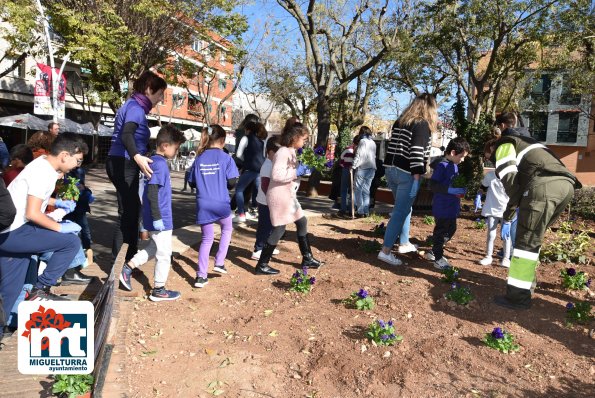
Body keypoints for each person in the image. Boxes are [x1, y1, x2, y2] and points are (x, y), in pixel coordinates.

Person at [489, 131, 581, 310]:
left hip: (544, 187)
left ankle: (517, 298)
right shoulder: (530, 145)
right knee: (532, 241)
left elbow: (511, 185)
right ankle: (527, 286)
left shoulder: (503, 146)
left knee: (525, 245)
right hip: (565, 187)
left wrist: (507, 217)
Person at [0, 133, 86, 317]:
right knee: (70, 243)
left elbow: (30, 197)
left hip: (8, 231)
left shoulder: (41, 163)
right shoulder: (44, 172)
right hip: (14, 230)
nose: (76, 166)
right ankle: (41, 289)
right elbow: (32, 213)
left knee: (9, 291)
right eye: (77, 161)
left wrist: (56, 203)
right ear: (64, 155)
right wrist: (60, 228)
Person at [106, 70, 167, 262]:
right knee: (128, 214)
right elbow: (126, 135)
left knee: (132, 212)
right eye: (159, 95)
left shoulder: (133, 106)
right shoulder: (136, 108)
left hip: (123, 162)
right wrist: (138, 157)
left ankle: (127, 259)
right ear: (149, 90)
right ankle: (121, 264)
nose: (160, 99)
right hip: (123, 162)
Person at [120, 125, 185, 301]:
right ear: (165, 145)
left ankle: (127, 268)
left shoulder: (153, 162)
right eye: (176, 148)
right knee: (164, 254)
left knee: (154, 248)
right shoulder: (160, 165)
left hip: (157, 216)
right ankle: (159, 289)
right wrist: (157, 218)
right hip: (161, 217)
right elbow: (152, 192)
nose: (177, 151)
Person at [255, 123, 324, 274]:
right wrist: (297, 172)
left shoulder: (291, 151)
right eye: (304, 139)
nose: (305, 142)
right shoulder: (283, 152)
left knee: (302, 221)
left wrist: (304, 170)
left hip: (288, 195)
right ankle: (262, 264)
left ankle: (307, 257)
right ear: (294, 138)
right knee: (279, 229)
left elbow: (291, 173)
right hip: (280, 196)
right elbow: (277, 175)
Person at [378, 93, 437, 266]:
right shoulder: (421, 124)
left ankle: (404, 242)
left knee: (404, 208)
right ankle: (385, 251)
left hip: (391, 170)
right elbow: (417, 152)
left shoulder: (401, 121)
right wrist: (418, 174)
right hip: (408, 173)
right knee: (400, 212)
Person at [188, 125, 239, 288]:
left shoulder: (199, 159)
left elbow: (191, 182)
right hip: (221, 203)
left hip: (203, 204)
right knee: (227, 229)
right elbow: (232, 182)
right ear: (223, 141)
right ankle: (219, 262)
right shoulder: (226, 158)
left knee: (206, 239)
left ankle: (201, 277)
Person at [423, 137, 470, 269]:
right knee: (441, 231)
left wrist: (459, 190)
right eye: (462, 156)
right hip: (442, 207)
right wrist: (449, 190)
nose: (463, 159)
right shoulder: (442, 166)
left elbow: (453, 183)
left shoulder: (454, 166)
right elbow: (433, 185)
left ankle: (434, 249)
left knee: (451, 229)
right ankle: (438, 258)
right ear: (454, 153)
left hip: (452, 207)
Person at [475, 139, 512, 268]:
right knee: (491, 234)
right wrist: (479, 195)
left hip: (507, 210)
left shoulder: (511, 177)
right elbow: (483, 187)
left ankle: (506, 258)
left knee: (506, 236)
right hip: (492, 208)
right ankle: (488, 256)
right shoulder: (490, 176)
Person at [251, 136, 282, 266]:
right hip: (265, 202)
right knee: (264, 226)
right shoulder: (267, 165)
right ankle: (258, 249)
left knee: (270, 226)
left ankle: (267, 246)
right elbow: (264, 185)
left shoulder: (273, 164)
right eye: (278, 153)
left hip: (270, 201)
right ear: (270, 152)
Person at [233, 122, 267, 223]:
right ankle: (257, 213)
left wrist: (245, 161)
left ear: (248, 129)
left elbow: (239, 154)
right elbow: (264, 156)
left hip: (249, 169)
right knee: (258, 191)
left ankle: (241, 214)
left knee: (239, 190)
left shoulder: (246, 138)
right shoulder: (262, 141)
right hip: (260, 170)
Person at [352, 126, 377, 218]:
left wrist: (353, 165)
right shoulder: (373, 142)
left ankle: (360, 211)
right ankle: (366, 211)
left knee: (358, 190)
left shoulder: (362, 141)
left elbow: (359, 154)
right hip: (372, 168)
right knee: (366, 190)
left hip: (363, 168)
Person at [337, 135, 360, 217]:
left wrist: (343, 165)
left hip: (346, 170)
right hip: (355, 170)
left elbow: (341, 158)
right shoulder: (359, 151)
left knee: (344, 190)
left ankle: (343, 209)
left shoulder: (347, 150)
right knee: (352, 190)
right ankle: (351, 209)